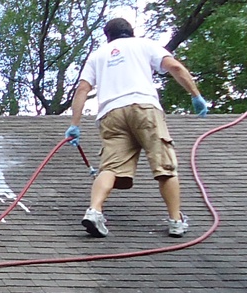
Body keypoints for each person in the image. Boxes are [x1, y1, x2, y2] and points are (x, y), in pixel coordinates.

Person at [65, 19, 209, 239]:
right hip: (144, 108)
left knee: (110, 168)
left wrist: (75, 125)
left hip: (111, 114)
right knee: (164, 165)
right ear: (130, 32)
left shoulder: (97, 56)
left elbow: (82, 89)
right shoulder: (144, 44)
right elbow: (175, 67)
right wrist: (196, 95)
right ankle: (176, 221)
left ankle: (94, 211)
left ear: (108, 36)